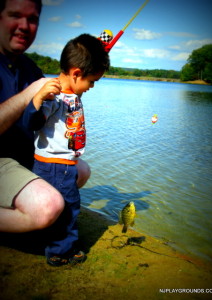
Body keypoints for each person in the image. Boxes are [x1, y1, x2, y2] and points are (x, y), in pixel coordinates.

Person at [0, 0, 89, 237]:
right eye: (15, 15)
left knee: (81, 171)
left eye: (32, 19)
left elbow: (45, 112)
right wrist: (33, 91)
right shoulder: (34, 79)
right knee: (48, 206)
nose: (24, 26)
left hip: (24, 155)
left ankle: (27, 212)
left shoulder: (29, 68)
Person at [23, 34, 110, 266]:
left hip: (63, 164)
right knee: (69, 206)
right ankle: (61, 251)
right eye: (91, 81)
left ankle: (53, 241)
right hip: (55, 166)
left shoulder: (72, 90)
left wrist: (100, 52)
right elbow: (31, 123)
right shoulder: (54, 95)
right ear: (76, 74)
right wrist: (37, 99)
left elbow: (86, 63)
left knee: (67, 205)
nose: (91, 87)